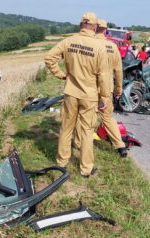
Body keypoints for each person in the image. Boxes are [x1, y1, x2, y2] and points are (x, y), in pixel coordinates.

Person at [44, 12, 111, 178]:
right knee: (87, 131)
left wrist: (60, 74)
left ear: (81, 25)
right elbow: (103, 77)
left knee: (66, 128)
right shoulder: (99, 47)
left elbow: (49, 57)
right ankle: (85, 169)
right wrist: (104, 98)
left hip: (71, 93)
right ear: (95, 27)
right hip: (89, 95)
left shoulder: (68, 41)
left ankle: (61, 163)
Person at [74, 19, 127, 158]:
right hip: (106, 88)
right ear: (105, 30)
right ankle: (120, 146)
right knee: (108, 118)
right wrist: (118, 89)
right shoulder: (112, 46)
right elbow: (119, 71)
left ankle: (79, 144)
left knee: (83, 117)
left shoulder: (88, 44)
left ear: (94, 28)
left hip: (88, 88)